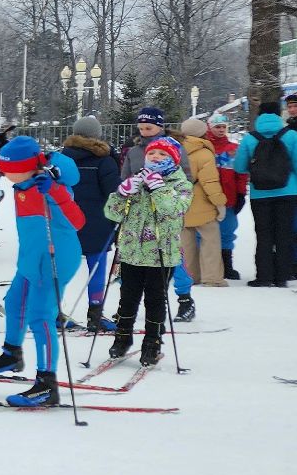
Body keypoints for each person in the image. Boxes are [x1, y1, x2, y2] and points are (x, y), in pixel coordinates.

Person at [0, 137, 85, 407]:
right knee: (14, 302)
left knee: (40, 316)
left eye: (9, 169)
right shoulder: (23, 183)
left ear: (26, 168)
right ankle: (12, 354)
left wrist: (54, 191)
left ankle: (47, 383)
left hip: (54, 258)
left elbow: (78, 222)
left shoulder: (51, 186)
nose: (4, 174)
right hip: (31, 257)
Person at [103, 138, 193, 365]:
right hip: (131, 250)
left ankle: (152, 343)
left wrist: (159, 189)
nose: (155, 157)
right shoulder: (138, 179)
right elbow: (113, 214)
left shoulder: (180, 184)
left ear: (174, 159)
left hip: (161, 254)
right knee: (127, 298)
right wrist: (121, 194)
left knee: (155, 300)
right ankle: (122, 338)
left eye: (163, 155)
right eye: (152, 154)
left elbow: (173, 211)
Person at [59, 115, 122, 332]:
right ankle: (95, 314)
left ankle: (53, 310)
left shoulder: (62, 158)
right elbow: (114, 192)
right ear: (97, 135)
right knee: (96, 268)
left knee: (61, 268)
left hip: (66, 219)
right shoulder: (104, 159)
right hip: (97, 220)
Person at [232, 101, 297, 287]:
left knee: (263, 235)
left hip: (260, 194)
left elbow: (239, 167)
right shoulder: (292, 135)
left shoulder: (249, 138)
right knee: (284, 233)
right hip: (288, 193)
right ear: (279, 114)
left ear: (259, 115)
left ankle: (264, 276)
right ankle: (282, 276)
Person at [175, 118, 228, 313]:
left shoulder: (175, 149)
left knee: (185, 243)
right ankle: (212, 277)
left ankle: (191, 275)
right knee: (210, 240)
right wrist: (219, 203)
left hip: (181, 203)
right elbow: (210, 182)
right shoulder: (204, 152)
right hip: (202, 204)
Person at [208, 113, 246, 279]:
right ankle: (207, 265)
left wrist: (241, 193)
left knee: (227, 231)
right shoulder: (205, 148)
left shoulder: (233, 149)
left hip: (228, 198)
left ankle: (226, 265)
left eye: (223, 127)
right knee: (204, 233)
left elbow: (241, 173)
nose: (221, 130)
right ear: (210, 128)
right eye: (217, 127)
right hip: (207, 199)